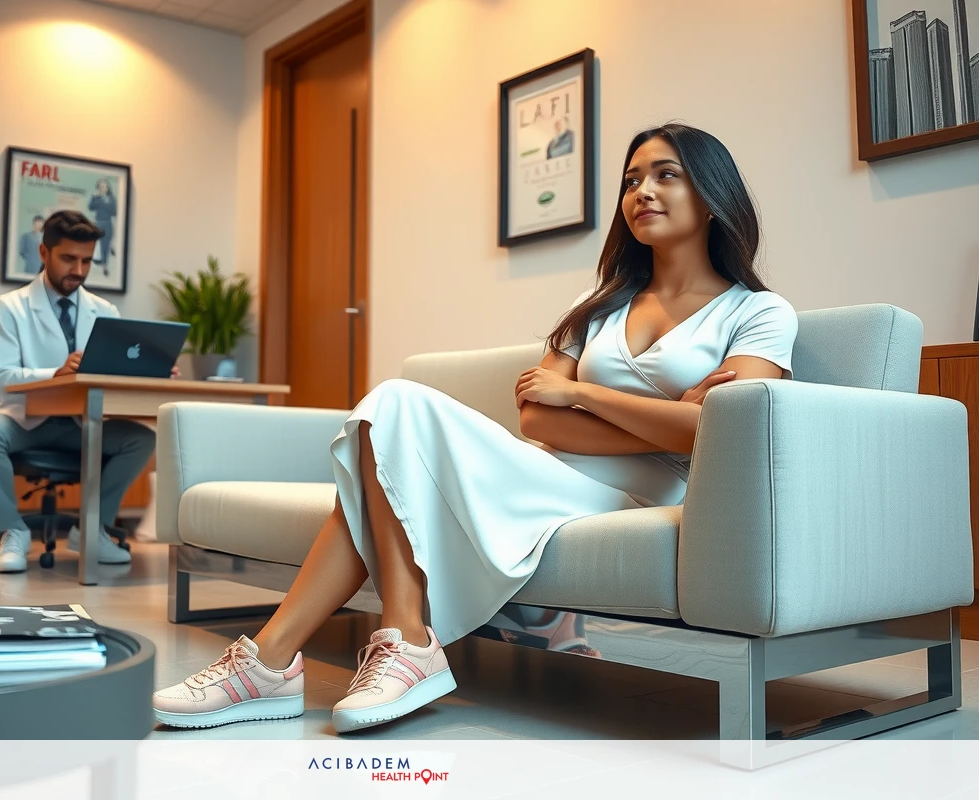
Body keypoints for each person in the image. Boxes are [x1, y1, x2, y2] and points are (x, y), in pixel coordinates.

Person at [152, 123, 798, 733]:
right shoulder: (597, 303)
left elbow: (720, 435)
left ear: (713, 196)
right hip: (545, 470)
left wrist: (583, 393)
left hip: (640, 498)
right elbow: (539, 419)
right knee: (394, 407)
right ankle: (388, 643)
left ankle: (279, 662)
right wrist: (673, 416)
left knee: (389, 433)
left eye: (666, 175)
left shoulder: (759, 312)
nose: (643, 192)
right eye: (631, 180)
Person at [0, 210, 157, 574]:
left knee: (142, 439)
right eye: (69, 258)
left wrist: (149, 371)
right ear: (43, 252)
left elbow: (112, 373)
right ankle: (12, 530)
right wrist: (54, 373)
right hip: (25, 417)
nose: (79, 271)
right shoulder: (12, 306)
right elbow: (3, 377)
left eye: (87, 261)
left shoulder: (105, 310)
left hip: (81, 421)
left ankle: (91, 529)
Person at [88, 178, 117, 275]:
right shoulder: (96, 197)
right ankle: (98, 261)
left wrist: (106, 202)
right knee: (96, 245)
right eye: (101, 187)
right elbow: (91, 207)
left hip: (108, 223)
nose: (103, 188)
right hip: (98, 222)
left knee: (105, 245)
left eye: (104, 186)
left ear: (107, 187)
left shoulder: (111, 198)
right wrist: (97, 198)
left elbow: (114, 212)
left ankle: (105, 265)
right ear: (98, 188)